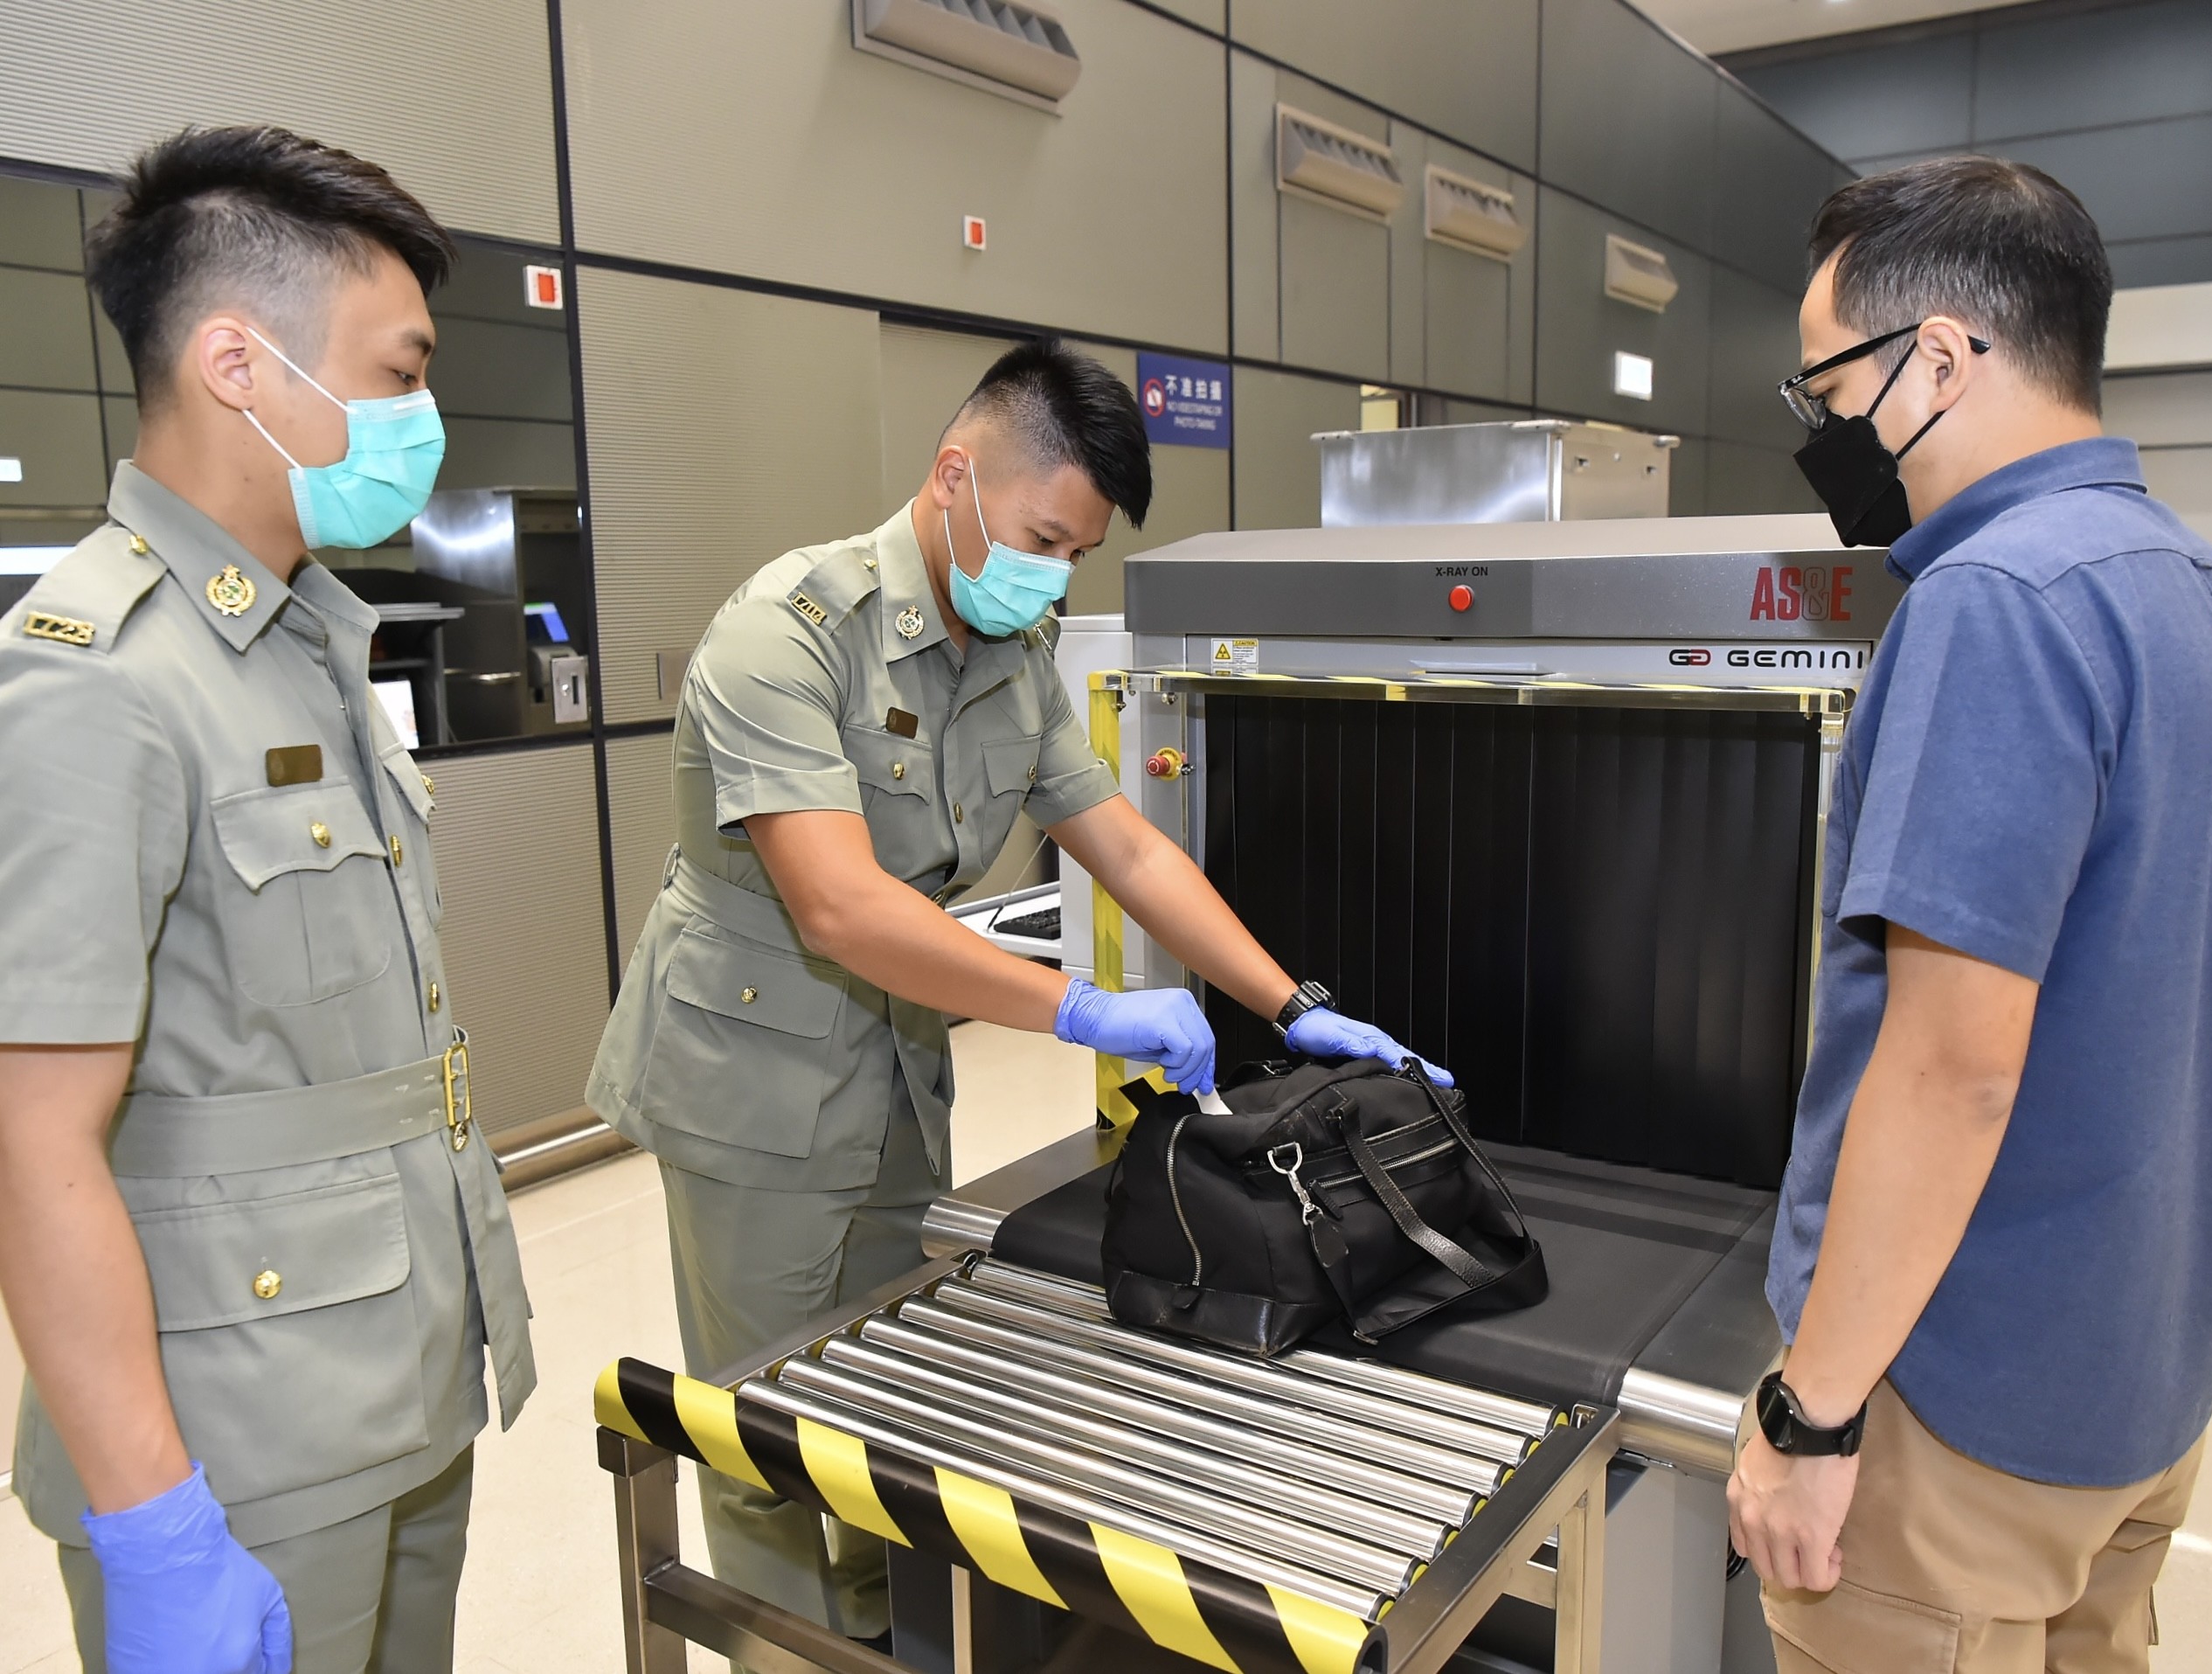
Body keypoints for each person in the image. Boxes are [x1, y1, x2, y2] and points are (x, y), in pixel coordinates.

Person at [586, 338, 1439, 1649]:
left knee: (888, 1397)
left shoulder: (1010, 649)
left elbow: (1127, 846)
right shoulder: (787, 635)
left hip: (891, 1068)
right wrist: (1077, 1009)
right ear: (955, 477)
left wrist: (1289, 1003)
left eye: (1076, 555)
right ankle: (795, 1653)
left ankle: (886, 1639)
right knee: (763, 1426)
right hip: (747, 1085)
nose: (1053, 574)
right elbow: (841, 906)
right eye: (1043, 538)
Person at [0, 127, 535, 1674]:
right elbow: (32, 1140)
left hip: (399, 1379)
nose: (420, 418)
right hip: (236, 1444)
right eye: (397, 372)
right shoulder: (93, 680)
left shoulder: (304, 642)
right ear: (238, 363)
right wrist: (153, 1522)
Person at [1728, 155, 2212, 1672]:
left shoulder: (1993, 602)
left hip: (1953, 1411)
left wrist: (1811, 1415)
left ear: (1937, 358)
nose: (1826, 430)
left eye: (1829, 387)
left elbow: (1953, 1068)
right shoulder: (2190, 580)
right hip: (2137, 1382)